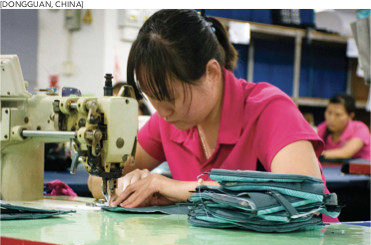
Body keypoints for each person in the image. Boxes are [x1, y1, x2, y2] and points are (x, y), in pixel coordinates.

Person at [89, 9, 337, 222]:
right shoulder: (169, 121)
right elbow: (98, 178)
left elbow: (304, 199)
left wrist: (172, 187)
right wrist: (123, 187)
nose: (162, 112)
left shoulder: (269, 110)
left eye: (170, 99)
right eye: (153, 99)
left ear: (211, 73)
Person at [317, 94, 371, 160]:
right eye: (329, 112)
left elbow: (346, 153)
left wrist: (318, 154)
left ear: (350, 116)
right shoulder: (323, 128)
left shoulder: (360, 128)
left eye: (338, 115)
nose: (331, 118)